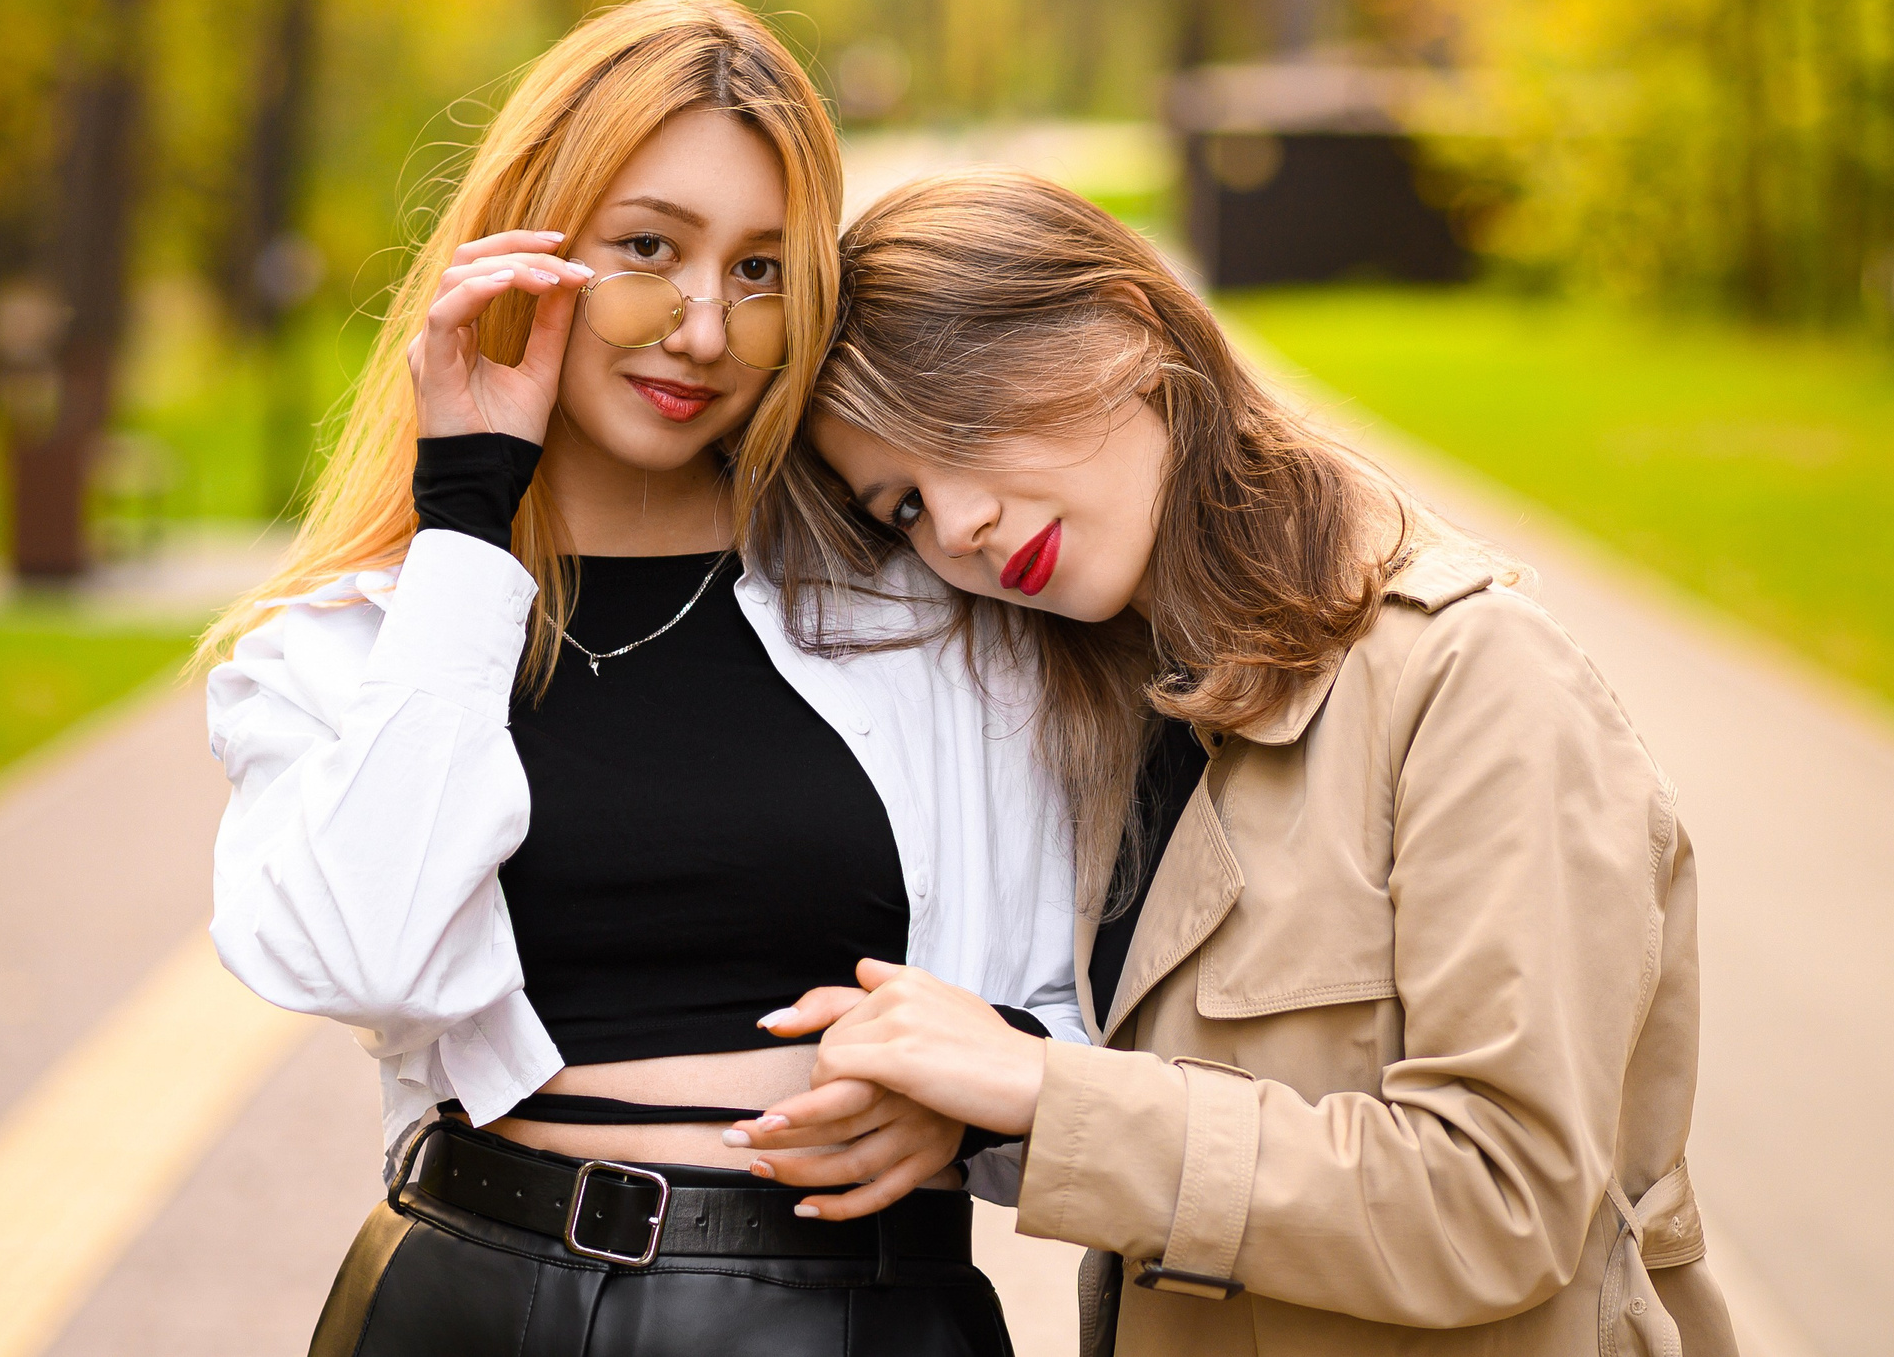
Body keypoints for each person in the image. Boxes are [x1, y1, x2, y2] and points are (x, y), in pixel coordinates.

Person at [197, 0, 1080, 1357]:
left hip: (853, 1318)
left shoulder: (923, 615)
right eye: (650, 251)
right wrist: (465, 522)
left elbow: (1091, 1003)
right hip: (473, 1306)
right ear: (531, 247)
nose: (703, 330)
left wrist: (976, 1093)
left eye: (761, 271)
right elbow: (363, 960)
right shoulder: (359, 642)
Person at [732, 168, 1738, 1357]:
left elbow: (1499, 1202)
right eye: (902, 505)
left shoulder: (1469, 675)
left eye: (962, 431)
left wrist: (1044, 1094)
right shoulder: (1117, 722)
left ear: (1124, 330)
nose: (956, 526)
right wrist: (981, 1115)